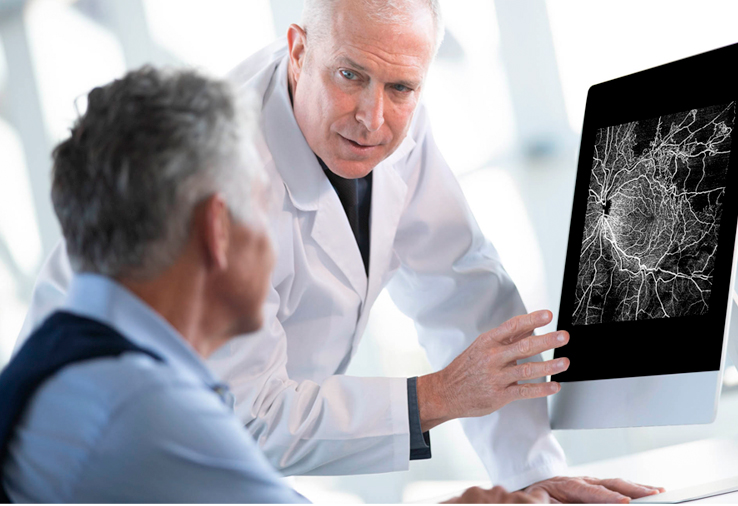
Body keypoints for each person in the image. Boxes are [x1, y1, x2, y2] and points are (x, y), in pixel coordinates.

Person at [18, 0, 663, 502]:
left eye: (402, 89)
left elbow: (466, 293)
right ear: (299, 51)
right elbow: (250, 417)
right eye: (350, 76)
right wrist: (432, 399)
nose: (371, 118)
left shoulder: (389, 107)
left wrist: (529, 476)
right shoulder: (226, 173)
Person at [0, 67, 549, 504]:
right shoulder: (144, 412)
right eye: (258, 207)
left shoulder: (79, 372)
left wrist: (524, 472)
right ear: (217, 229)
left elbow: (462, 282)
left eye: (400, 87)